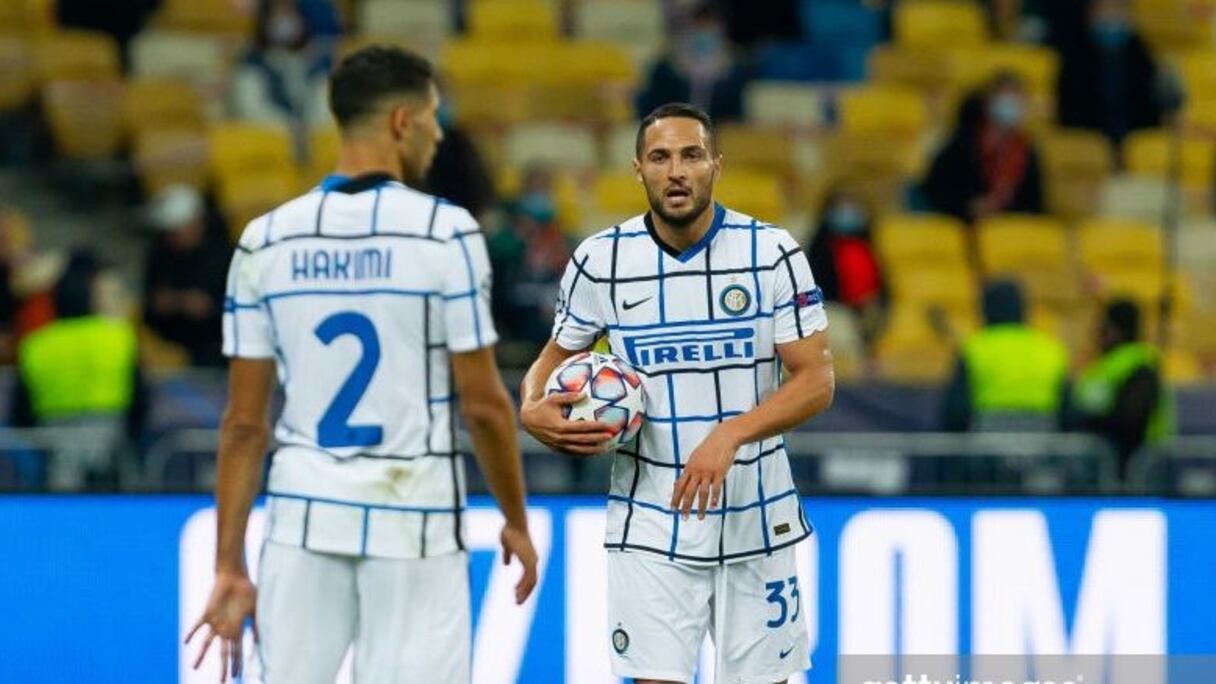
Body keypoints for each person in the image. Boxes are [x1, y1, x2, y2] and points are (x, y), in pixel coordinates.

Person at [187, 46, 538, 683]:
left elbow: (243, 424)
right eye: (433, 117)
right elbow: (484, 405)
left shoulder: (265, 240)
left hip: (301, 518)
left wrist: (230, 565)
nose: (438, 134)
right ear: (402, 121)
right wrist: (514, 519)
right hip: (416, 523)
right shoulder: (446, 234)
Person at [520, 103, 835, 683]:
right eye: (661, 157)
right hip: (649, 518)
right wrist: (531, 406)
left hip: (757, 520)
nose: (677, 171)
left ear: (716, 163)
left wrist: (730, 434)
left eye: (691, 155)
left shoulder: (772, 253)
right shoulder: (600, 261)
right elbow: (552, 359)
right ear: (638, 168)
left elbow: (816, 380)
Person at [11, 250, 146, 490]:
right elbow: (140, 398)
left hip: (53, 445)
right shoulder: (118, 336)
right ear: (89, 299)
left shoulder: (35, 344)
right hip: (111, 444)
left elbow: (20, 410)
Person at [942, 280, 1069, 432]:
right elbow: (1067, 411)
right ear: (1024, 309)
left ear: (985, 309)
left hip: (990, 443)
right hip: (1043, 443)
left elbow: (956, 412)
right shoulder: (1050, 349)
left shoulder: (975, 348)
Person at [923, 72, 1046, 223]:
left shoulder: (1026, 149)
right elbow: (936, 189)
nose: (1012, 104)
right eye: (1006, 96)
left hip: (1006, 231)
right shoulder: (962, 143)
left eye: (1018, 98)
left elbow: (1035, 204)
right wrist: (969, 206)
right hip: (959, 225)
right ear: (988, 102)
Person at [1072, 299, 1173, 477]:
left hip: (1136, 467)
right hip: (1098, 464)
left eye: (1104, 327)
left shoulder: (1142, 364)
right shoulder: (1102, 366)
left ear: (1117, 329)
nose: (1097, 333)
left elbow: (1131, 420)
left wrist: (1087, 421)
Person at [142, 185, 231, 367]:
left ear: (197, 223)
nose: (171, 238)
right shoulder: (159, 254)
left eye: (177, 231)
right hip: (170, 346)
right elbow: (149, 304)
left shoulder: (225, 255)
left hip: (217, 351)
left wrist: (212, 309)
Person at [230, 0, 338, 147]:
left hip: (313, 142)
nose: (284, 22)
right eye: (277, 16)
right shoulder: (251, 65)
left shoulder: (317, 63)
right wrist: (290, 129)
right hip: (270, 143)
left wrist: (311, 129)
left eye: (290, 15)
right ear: (264, 20)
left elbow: (323, 101)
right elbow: (251, 108)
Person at [487, 164, 573, 348]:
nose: (541, 195)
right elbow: (504, 294)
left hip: (551, 313)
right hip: (519, 316)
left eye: (545, 188)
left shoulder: (563, 240)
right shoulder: (504, 243)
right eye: (536, 188)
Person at [1056, 0, 1162, 147]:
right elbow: (1068, 107)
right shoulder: (1075, 55)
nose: (1111, 16)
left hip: (1134, 137)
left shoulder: (1141, 55)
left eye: (1117, 10)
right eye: (1105, 10)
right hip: (1088, 139)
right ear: (1091, 15)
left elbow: (1152, 106)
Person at [636, 4, 750, 122]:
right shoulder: (665, 68)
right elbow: (651, 109)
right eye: (698, 28)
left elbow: (737, 115)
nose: (703, 33)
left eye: (708, 28)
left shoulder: (736, 71)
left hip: (719, 132)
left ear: (720, 31)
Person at [806, 186, 886, 342]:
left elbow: (882, 284)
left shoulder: (868, 244)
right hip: (835, 312)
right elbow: (815, 286)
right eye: (842, 205)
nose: (848, 211)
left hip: (869, 313)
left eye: (853, 205)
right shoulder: (819, 248)